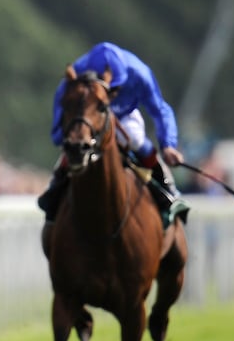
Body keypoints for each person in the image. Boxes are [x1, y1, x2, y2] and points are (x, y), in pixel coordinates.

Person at [38, 41, 189, 226]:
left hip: (125, 114)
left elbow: (161, 110)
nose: (112, 95)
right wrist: (59, 133)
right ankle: (56, 186)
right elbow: (61, 99)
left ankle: (169, 191)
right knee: (77, 140)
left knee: (134, 138)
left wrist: (168, 145)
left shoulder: (139, 73)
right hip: (91, 111)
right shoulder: (79, 70)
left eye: (115, 90)